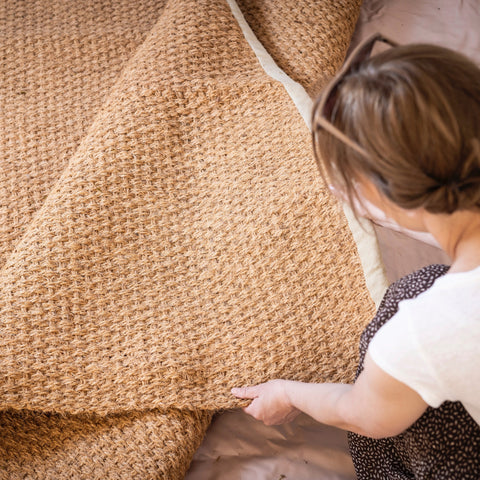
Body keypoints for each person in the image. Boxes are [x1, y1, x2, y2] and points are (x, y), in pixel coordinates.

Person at [231, 33, 480, 478]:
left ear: (398, 197)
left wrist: (289, 393)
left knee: (408, 308)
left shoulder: (427, 331)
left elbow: (363, 413)